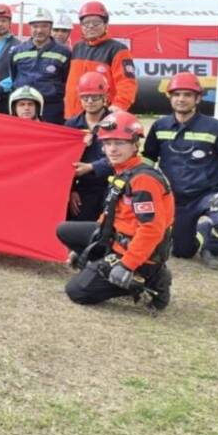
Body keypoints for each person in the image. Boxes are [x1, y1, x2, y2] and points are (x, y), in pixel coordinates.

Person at [58, 110, 173, 310]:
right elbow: (113, 211)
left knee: (77, 291)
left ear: (135, 145)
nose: (112, 149)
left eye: (119, 143)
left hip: (136, 251)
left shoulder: (143, 180)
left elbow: (151, 229)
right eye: (108, 143)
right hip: (117, 239)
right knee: (64, 230)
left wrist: (127, 265)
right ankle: (105, 265)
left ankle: (151, 279)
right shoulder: (123, 171)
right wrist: (90, 249)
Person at [143, 72, 218, 269]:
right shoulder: (159, 126)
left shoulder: (215, 127)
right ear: (170, 97)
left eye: (188, 95)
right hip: (175, 199)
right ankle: (203, 232)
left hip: (209, 195)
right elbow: (148, 159)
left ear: (198, 98)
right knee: (182, 252)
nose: (181, 99)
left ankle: (213, 247)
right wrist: (143, 188)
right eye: (177, 94)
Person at [63, 1, 136, 119]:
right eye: (86, 23)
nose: (91, 26)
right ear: (81, 26)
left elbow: (127, 83)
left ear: (106, 24)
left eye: (96, 22)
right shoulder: (77, 48)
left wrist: (119, 106)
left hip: (102, 117)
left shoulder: (117, 50)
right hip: (73, 117)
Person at [9, 7, 71, 124]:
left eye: (44, 26)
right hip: (24, 108)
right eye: (35, 26)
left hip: (51, 109)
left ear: (51, 28)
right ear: (30, 27)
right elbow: (14, 75)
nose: (39, 30)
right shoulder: (18, 51)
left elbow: (66, 79)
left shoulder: (63, 52)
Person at [66, 72, 111, 222]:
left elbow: (124, 158)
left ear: (105, 98)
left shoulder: (116, 123)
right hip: (82, 190)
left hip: (112, 187)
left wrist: (92, 167)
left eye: (95, 97)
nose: (90, 101)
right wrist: (71, 191)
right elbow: (64, 162)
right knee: (81, 234)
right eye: (85, 98)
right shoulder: (72, 125)